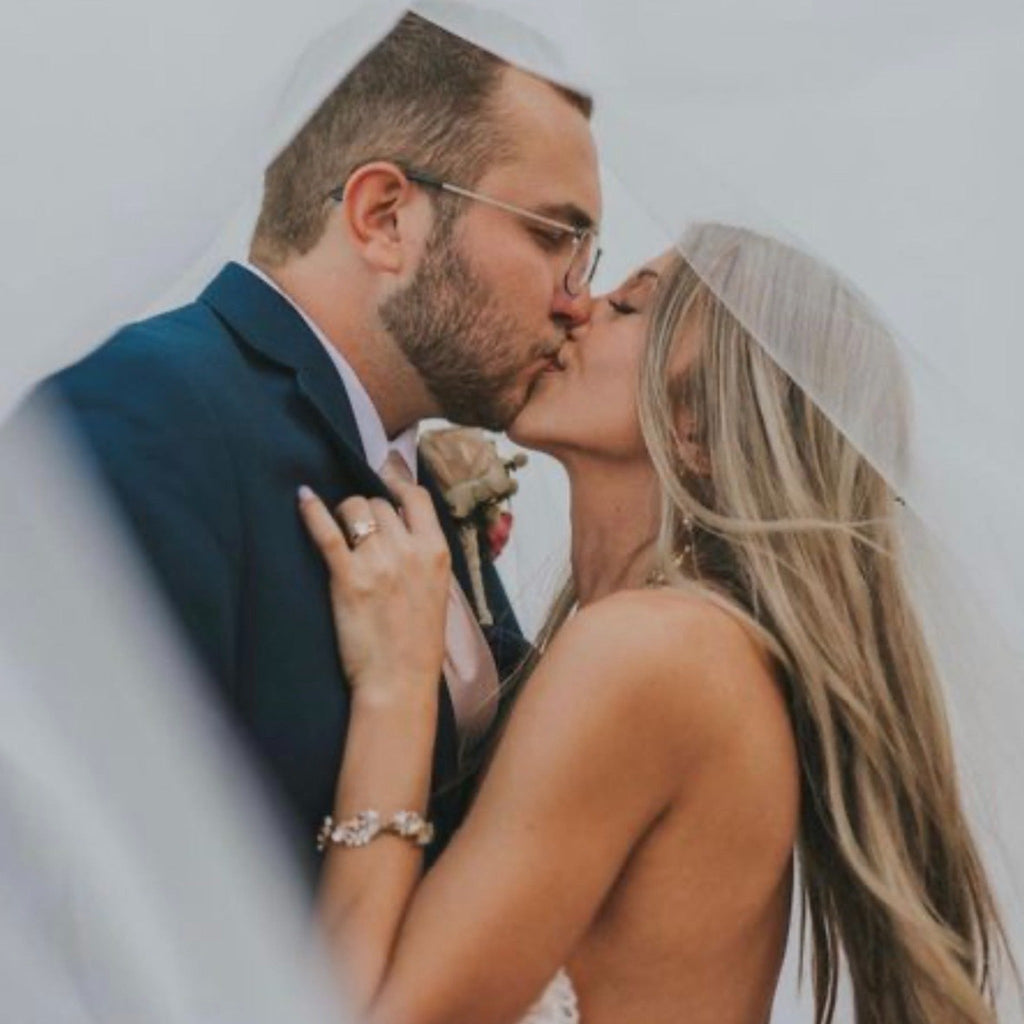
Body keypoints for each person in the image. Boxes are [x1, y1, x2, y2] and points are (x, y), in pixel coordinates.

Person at [298, 223, 1015, 1024]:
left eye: (630, 306)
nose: (577, 307)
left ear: (698, 428)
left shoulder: (656, 653)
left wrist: (396, 689)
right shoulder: (697, 653)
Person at [16, 13, 600, 875]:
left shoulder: (417, 484)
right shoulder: (145, 404)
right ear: (385, 216)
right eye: (553, 237)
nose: (577, 300)